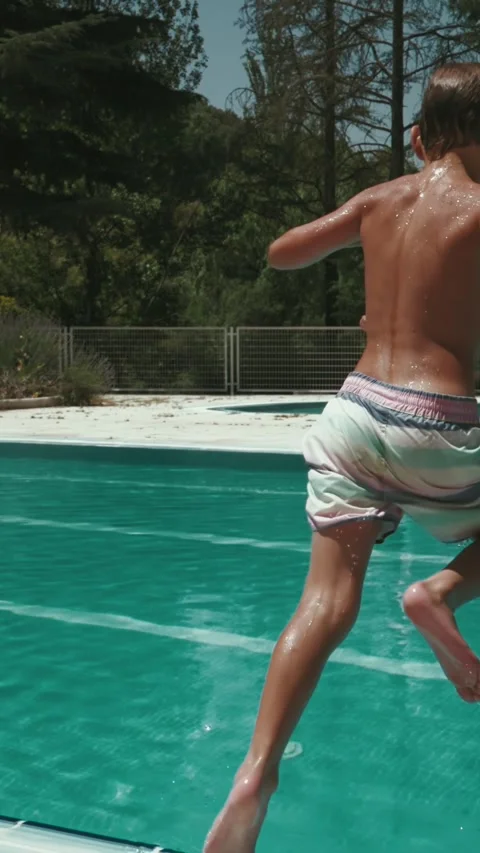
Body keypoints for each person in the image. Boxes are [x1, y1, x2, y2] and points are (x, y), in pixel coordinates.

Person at [203, 63, 480, 853]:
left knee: (323, 603)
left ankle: (255, 773)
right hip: (438, 423)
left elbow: (283, 252)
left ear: (421, 135)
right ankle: (441, 594)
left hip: (353, 414)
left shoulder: (382, 200)